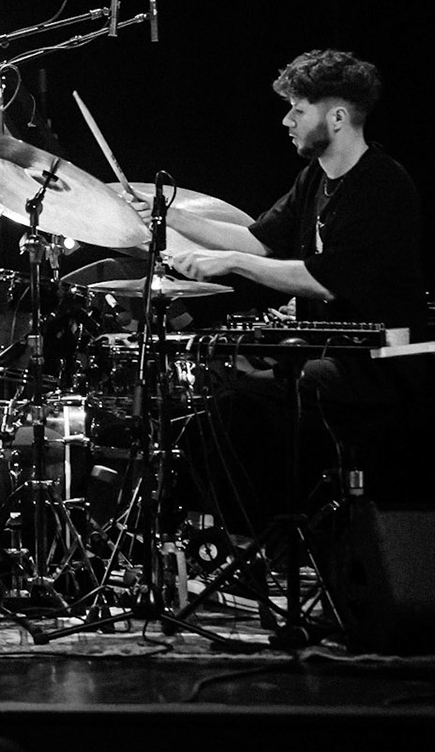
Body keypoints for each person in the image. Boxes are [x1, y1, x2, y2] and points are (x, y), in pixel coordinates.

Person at [155, 49, 426, 506]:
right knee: (221, 380)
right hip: (336, 351)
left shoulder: (382, 186)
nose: (287, 121)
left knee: (267, 395)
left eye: (298, 110)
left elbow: (325, 282)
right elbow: (257, 240)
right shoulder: (313, 180)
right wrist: (171, 215)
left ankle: (280, 521)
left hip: (386, 359)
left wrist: (231, 263)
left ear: (337, 117)